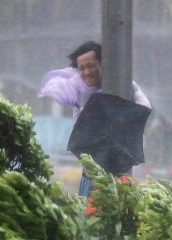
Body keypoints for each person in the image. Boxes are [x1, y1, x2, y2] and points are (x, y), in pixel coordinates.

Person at [38, 41, 151, 197]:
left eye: (91, 66)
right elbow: (79, 129)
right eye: (81, 68)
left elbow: (144, 106)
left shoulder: (123, 86)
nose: (86, 72)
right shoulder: (79, 92)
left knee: (120, 202)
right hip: (93, 163)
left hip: (120, 161)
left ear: (102, 64)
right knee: (91, 205)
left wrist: (123, 119)